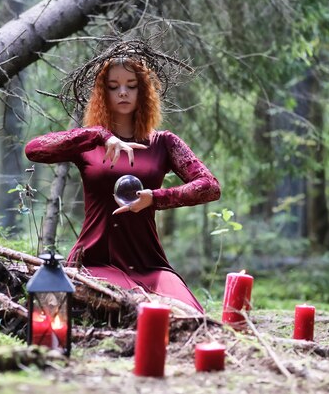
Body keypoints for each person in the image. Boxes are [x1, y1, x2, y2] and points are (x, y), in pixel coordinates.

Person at [25, 43, 220, 313]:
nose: (123, 92)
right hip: (96, 260)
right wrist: (98, 135)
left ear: (143, 91)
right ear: (102, 94)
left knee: (188, 314)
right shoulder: (90, 142)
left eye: (131, 85)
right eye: (113, 86)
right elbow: (34, 149)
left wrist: (155, 198)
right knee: (128, 311)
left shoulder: (163, 143)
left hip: (149, 263)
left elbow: (210, 187)